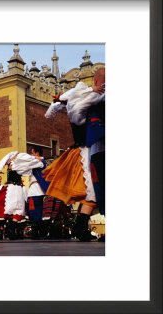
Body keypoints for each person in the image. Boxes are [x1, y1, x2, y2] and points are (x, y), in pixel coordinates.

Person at [43, 68, 105, 241]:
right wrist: (88, 90)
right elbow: (68, 101)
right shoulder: (85, 100)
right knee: (92, 191)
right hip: (86, 151)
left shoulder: (84, 100)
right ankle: (79, 227)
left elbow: (58, 105)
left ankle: (80, 227)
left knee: (90, 192)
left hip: (82, 150)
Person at [0, 151, 43, 240]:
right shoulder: (14, 165)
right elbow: (28, 165)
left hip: (16, 189)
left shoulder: (16, 165)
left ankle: (10, 230)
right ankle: (10, 230)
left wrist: (37, 161)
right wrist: (39, 160)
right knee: (15, 208)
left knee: (17, 210)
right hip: (14, 189)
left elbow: (27, 167)